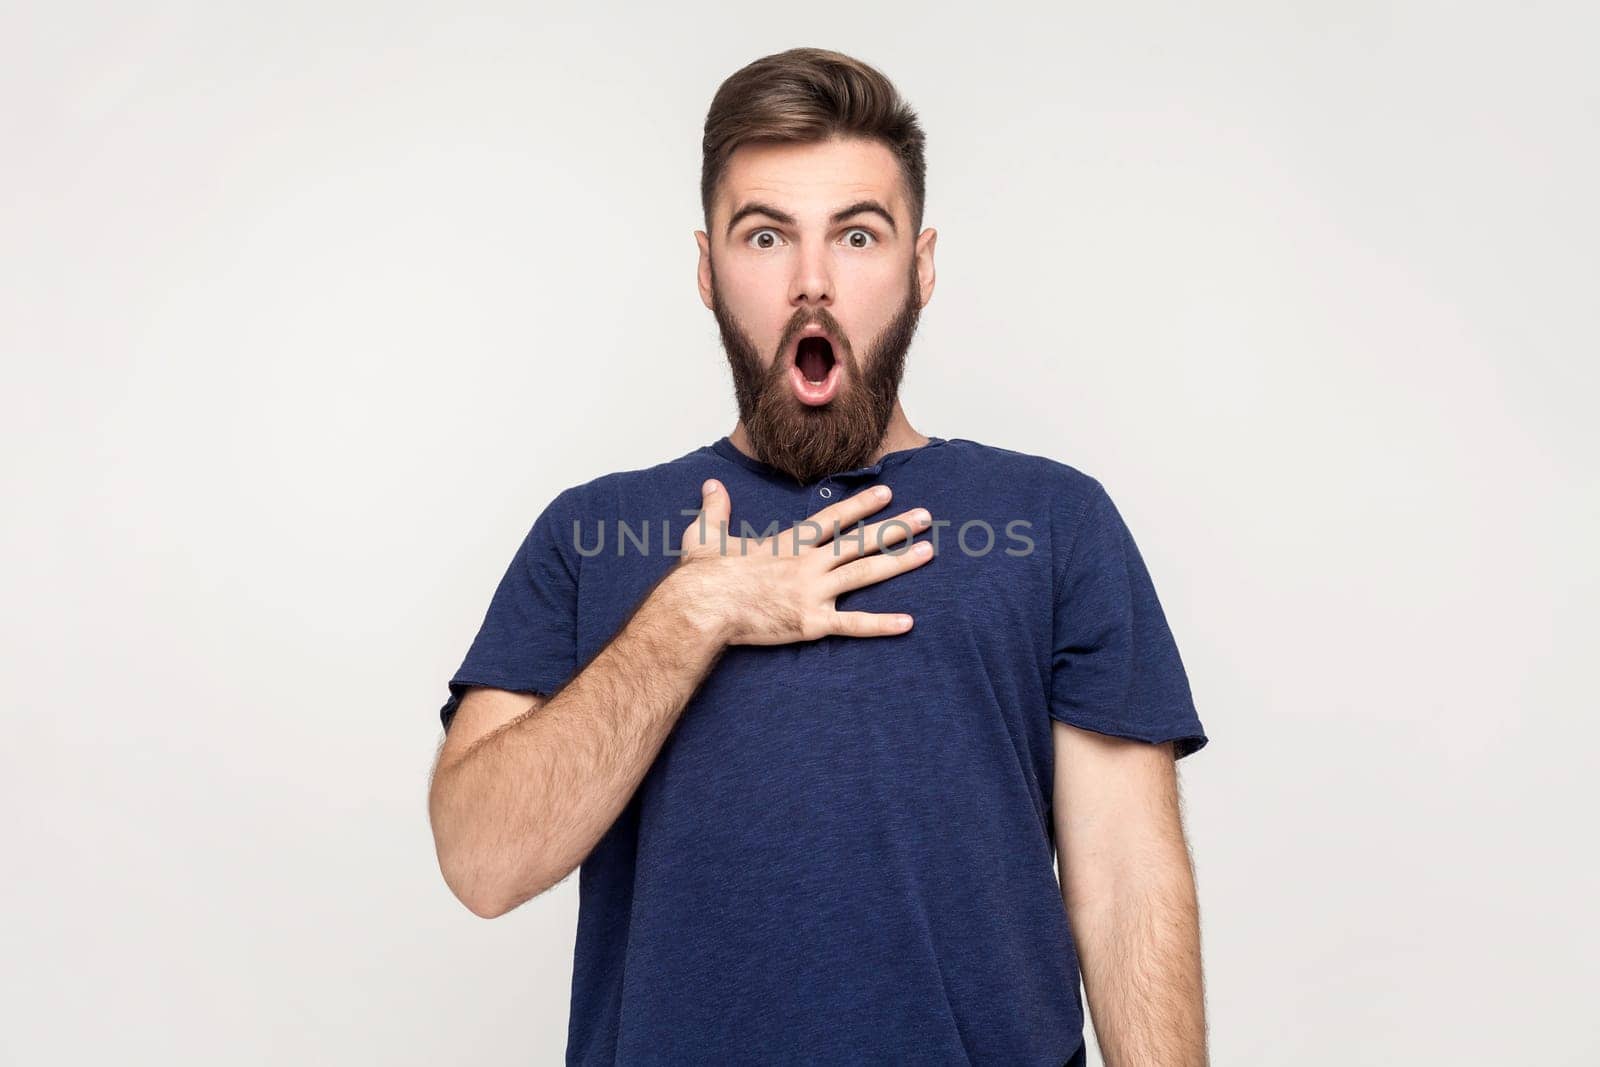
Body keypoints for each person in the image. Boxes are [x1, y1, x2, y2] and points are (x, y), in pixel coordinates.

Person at [428, 47, 1211, 1067]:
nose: (811, 281)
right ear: (708, 267)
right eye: (766, 235)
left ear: (920, 264)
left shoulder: (1052, 522)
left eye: (856, 233)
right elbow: (481, 860)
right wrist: (688, 617)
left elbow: (1125, 882)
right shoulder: (594, 533)